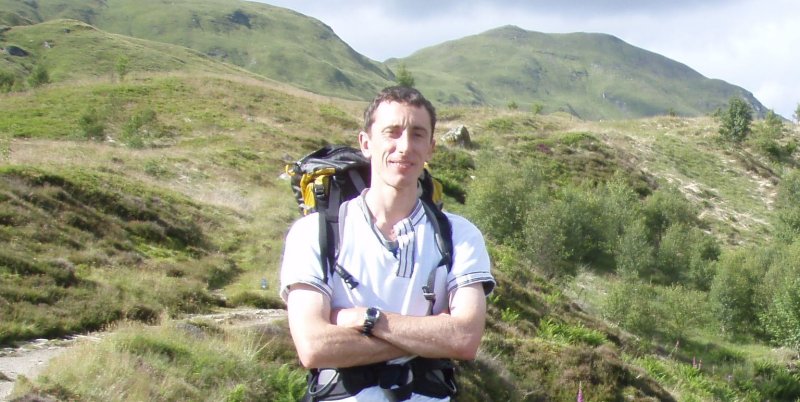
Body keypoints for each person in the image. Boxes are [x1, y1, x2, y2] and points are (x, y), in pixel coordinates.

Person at [280, 86, 495, 401]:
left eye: (418, 134)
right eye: (392, 132)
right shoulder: (313, 232)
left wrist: (367, 319)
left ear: (431, 148)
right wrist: (430, 335)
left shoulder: (459, 234)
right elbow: (314, 346)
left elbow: (464, 339)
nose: (404, 146)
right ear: (366, 143)